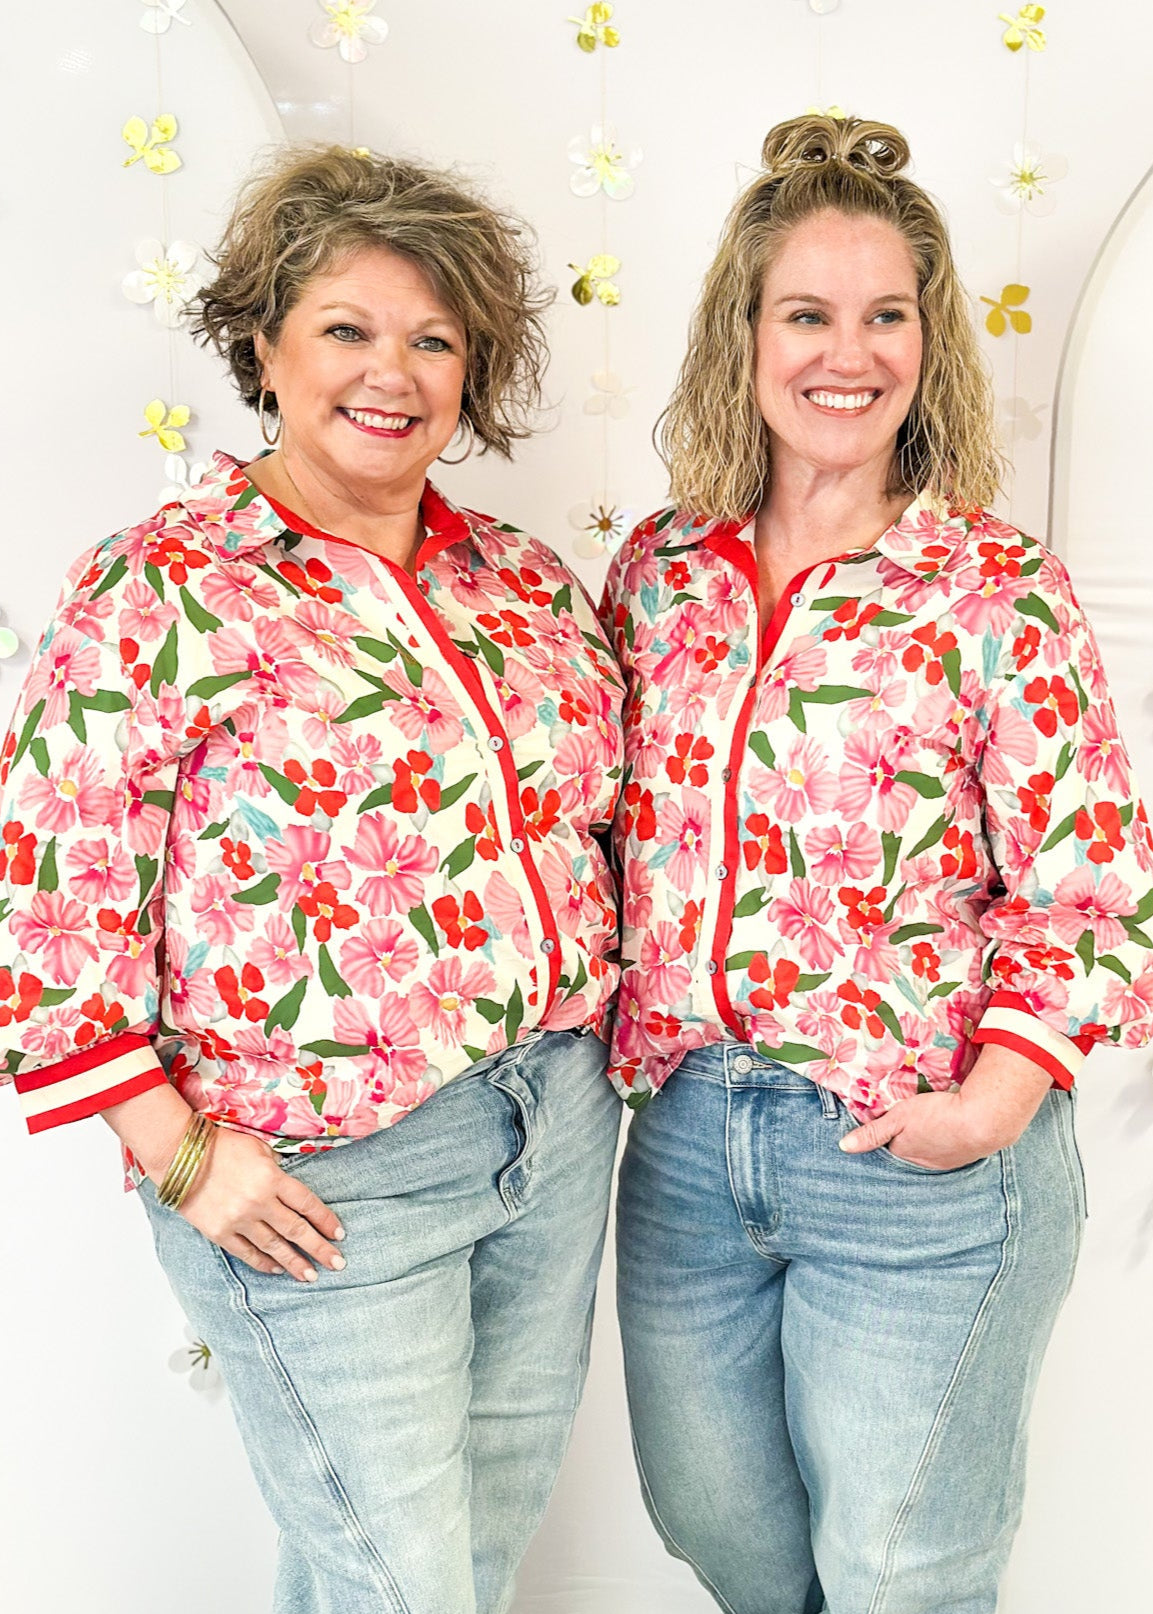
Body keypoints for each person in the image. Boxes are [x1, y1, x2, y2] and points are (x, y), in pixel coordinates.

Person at [0, 145, 624, 1614]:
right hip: (316, 1171)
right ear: (264, 342)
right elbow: (45, 896)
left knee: (452, 1553)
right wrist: (172, 1149)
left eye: (433, 338)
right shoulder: (162, 583)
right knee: (402, 1580)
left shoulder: (523, 582)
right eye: (346, 327)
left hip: (554, 1123)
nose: (390, 371)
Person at [600, 114, 1153, 1614]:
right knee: (716, 1525)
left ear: (927, 339)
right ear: (746, 333)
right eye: (806, 313)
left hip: (912, 1152)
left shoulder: (990, 585)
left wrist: (993, 1097)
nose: (845, 354)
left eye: (883, 315)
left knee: (899, 1571)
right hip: (692, 1144)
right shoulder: (660, 570)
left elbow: (1088, 874)